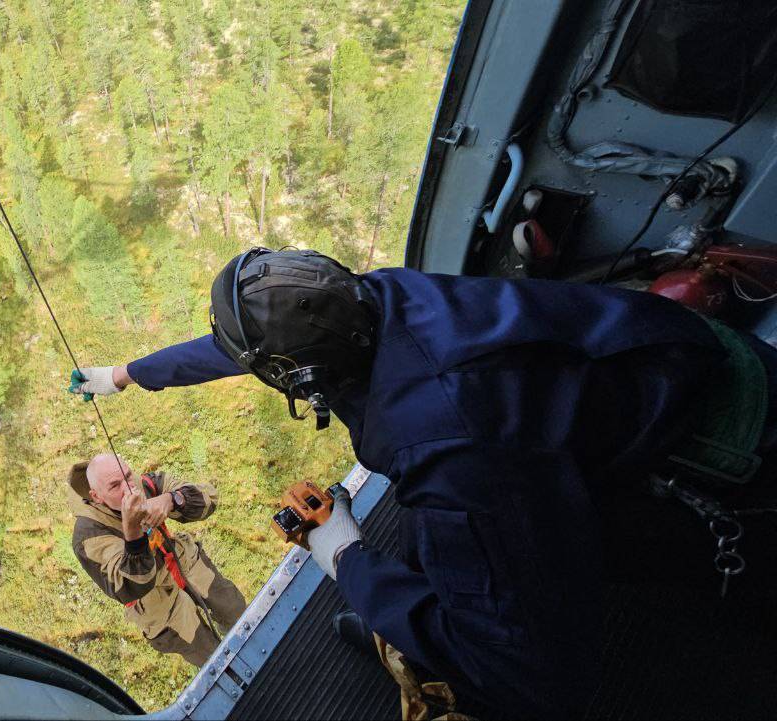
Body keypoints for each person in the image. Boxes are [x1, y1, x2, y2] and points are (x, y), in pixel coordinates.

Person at [67, 248, 777, 717]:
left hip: (719, 461)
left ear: (300, 378)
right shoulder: (375, 299)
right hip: (686, 357)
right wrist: (129, 374)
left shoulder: (442, 442)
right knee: (427, 547)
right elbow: (243, 347)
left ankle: (399, 623)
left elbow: (532, 671)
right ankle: (393, 607)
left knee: (491, 655)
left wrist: (343, 551)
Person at [69, 453, 247, 668]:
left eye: (127, 476)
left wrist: (172, 500)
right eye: (115, 486)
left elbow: (210, 497)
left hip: (187, 565)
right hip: (161, 607)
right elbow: (129, 586)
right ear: (96, 496)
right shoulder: (88, 535)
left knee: (239, 614)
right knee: (214, 661)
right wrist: (132, 531)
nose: (129, 490)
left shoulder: (145, 484)